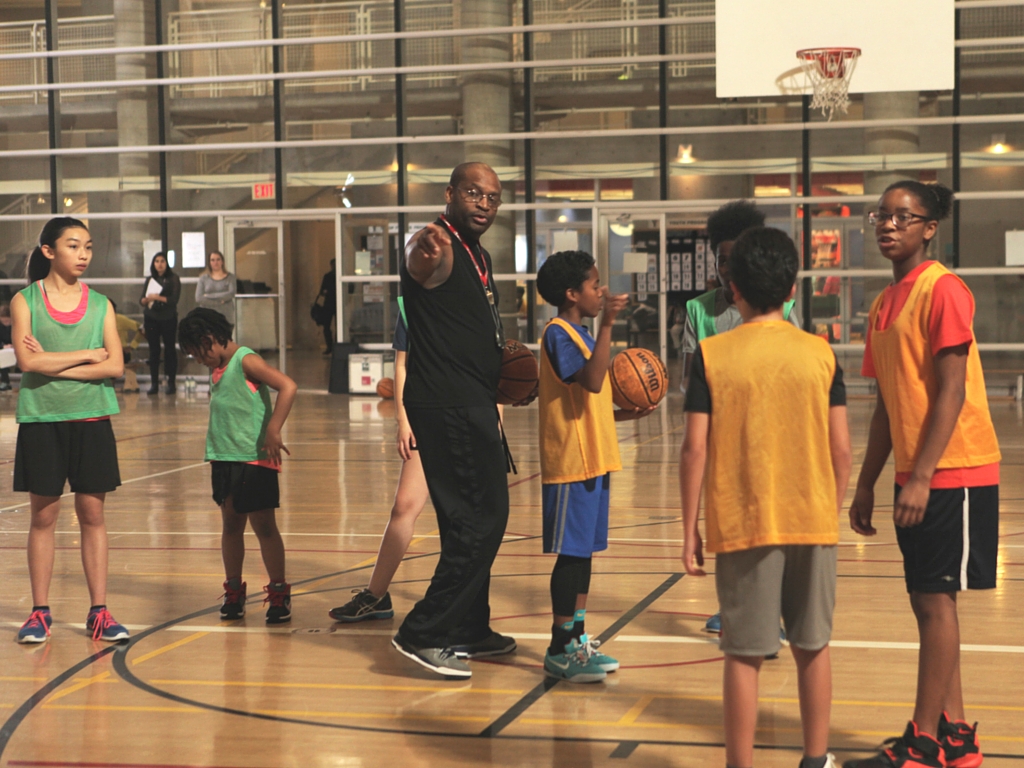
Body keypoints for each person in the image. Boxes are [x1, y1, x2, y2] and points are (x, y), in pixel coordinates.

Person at [679, 226, 852, 768]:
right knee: (812, 646)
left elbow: (694, 450)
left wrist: (689, 529)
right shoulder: (821, 355)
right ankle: (816, 759)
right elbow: (841, 449)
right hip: (813, 520)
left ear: (733, 287)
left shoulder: (711, 354)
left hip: (743, 520)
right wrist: (831, 506)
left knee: (744, 654)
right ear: (792, 287)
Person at [844, 182, 999, 768]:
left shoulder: (944, 289)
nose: (887, 226)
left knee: (936, 604)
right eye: (880, 216)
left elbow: (952, 390)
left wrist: (923, 477)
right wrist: (868, 481)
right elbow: (888, 402)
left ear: (929, 226)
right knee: (930, 605)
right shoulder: (884, 304)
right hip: (919, 469)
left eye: (902, 217)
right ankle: (955, 735)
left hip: (955, 469)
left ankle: (924, 741)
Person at [391, 161, 524, 679]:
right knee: (483, 519)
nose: (484, 203)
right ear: (450, 193)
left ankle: (471, 625)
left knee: (462, 520)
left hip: (467, 398)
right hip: (446, 402)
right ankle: (423, 631)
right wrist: (417, 251)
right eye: (473, 193)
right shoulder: (437, 244)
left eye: (492, 197)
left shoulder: (477, 252)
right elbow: (418, 260)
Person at [682, 199, 801, 637]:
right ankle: (730, 603)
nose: (729, 268)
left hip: (774, 427)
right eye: (722, 259)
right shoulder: (698, 310)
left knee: (773, 520)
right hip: (723, 430)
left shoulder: (783, 307)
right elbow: (693, 379)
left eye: (737, 260)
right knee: (728, 522)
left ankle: (780, 607)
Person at [536, 250, 655, 683]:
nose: (601, 291)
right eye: (594, 285)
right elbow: (588, 380)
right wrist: (608, 324)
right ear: (572, 294)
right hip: (571, 461)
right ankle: (558, 645)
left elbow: (594, 397)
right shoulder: (558, 334)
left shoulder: (582, 334)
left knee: (584, 555)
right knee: (571, 557)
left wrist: (626, 413)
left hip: (596, 459)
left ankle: (577, 640)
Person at [10, 217, 130, 644]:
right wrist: (86, 356)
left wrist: (56, 362)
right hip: (42, 419)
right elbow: (27, 364)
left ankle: (99, 611)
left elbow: (114, 366)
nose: (83, 255)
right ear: (48, 251)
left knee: (92, 515)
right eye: (74, 246)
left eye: (89, 247)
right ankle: (40, 612)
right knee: (44, 517)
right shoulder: (25, 301)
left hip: (92, 418)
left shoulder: (101, 305)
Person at [178, 308, 298, 624]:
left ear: (209, 340)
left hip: (255, 459)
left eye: (198, 354)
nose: (199, 361)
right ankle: (234, 591)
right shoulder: (218, 366)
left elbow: (288, 386)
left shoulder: (246, 360)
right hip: (224, 458)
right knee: (231, 525)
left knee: (263, 526)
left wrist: (274, 428)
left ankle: (278, 591)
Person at [329, 301, 430, 621]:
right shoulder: (411, 303)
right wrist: (403, 419)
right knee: (404, 505)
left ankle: (465, 608)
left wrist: (495, 421)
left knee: (462, 516)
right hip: (427, 416)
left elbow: (492, 363)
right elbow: (401, 364)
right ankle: (376, 595)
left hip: (465, 415)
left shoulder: (473, 292)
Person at [140, 251, 181, 395]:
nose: (159, 264)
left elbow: (173, 300)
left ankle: (171, 382)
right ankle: (154, 383)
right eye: (156, 261)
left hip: (168, 317)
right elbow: (142, 300)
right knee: (153, 350)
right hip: (151, 317)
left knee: (169, 350)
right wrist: (147, 300)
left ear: (166, 263)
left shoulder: (173, 279)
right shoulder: (150, 279)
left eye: (162, 261)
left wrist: (157, 297)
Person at [110, 300, 144, 393]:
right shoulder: (98, 321)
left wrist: (133, 346)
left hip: (121, 352)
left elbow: (141, 328)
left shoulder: (120, 319)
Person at [195, 250, 237, 326]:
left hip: (226, 317)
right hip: (207, 317)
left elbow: (231, 293)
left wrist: (208, 296)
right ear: (209, 263)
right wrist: (218, 302)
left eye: (218, 259)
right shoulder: (203, 278)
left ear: (222, 261)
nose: (215, 262)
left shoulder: (230, 277)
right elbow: (198, 298)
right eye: (212, 260)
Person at [317, 259, 337, 354]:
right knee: (327, 327)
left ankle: (333, 346)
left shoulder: (329, 276)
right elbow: (322, 291)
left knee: (332, 327)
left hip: (332, 303)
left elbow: (322, 291)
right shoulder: (328, 276)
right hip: (331, 303)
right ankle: (330, 346)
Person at [0, 301, 13, 391]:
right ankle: (5, 381)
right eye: (3, 321)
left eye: (8, 321)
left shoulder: (17, 324)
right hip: (4, 348)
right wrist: (3, 346)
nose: (6, 323)